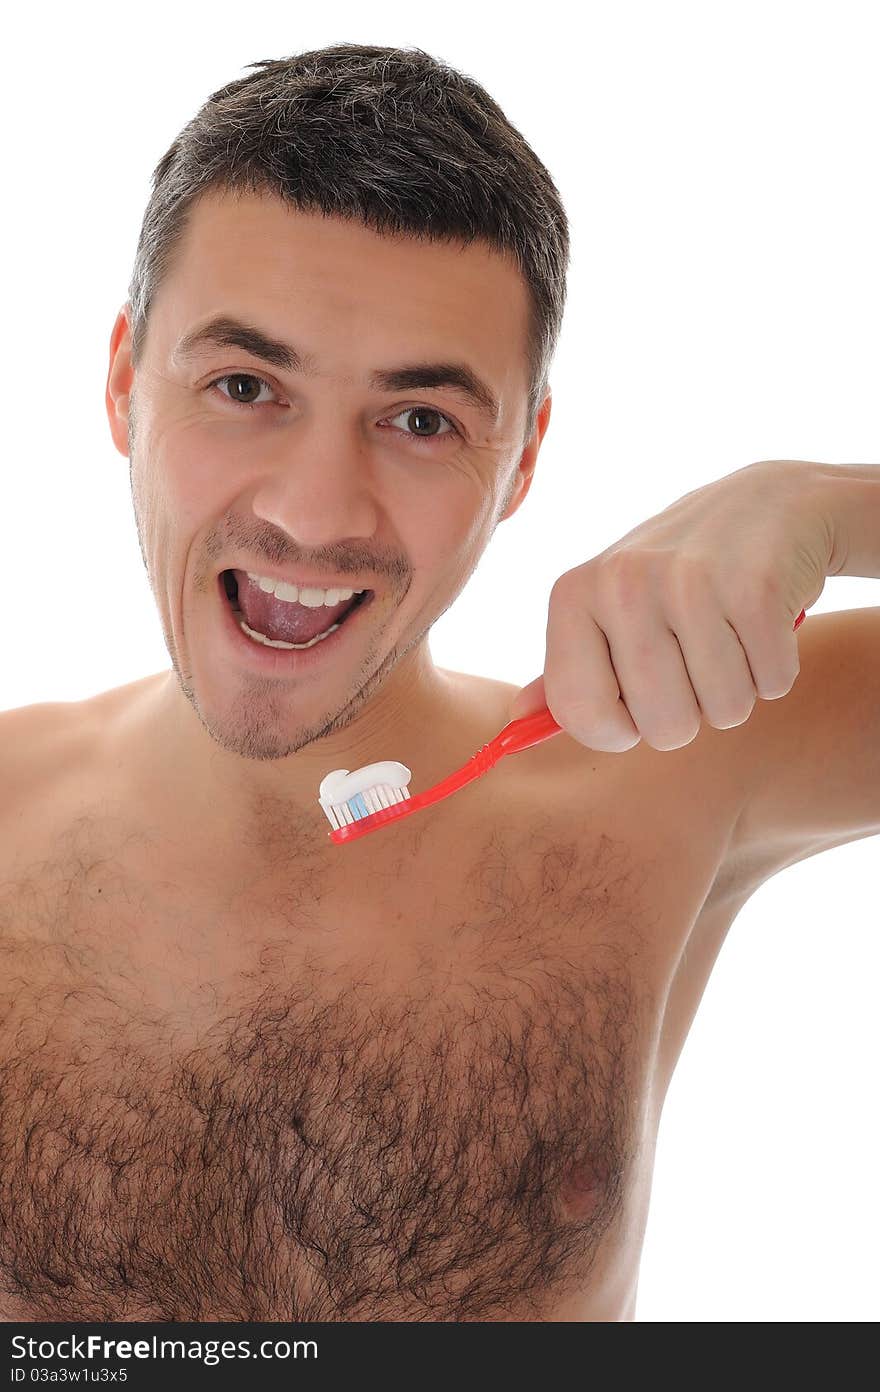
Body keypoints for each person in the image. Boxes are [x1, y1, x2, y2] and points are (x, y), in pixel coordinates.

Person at [1, 41, 876, 1323]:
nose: (312, 511)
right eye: (244, 386)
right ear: (126, 382)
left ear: (521, 459)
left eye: (420, 421)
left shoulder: (679, 757)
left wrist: (822, 505)